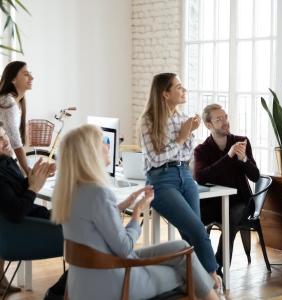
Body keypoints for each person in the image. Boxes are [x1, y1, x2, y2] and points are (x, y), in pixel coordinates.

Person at [50, 124, 220, 300]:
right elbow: (124, 248)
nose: (108, 146)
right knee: (188, 270)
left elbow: (93, 221)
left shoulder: (69, 191)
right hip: (117, 280)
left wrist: (125, 204)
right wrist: (137, 212)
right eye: (103, 142)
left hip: (83, 283)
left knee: (182, 247)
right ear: (90, 153)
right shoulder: (98, 193)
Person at [139, 73, 222, 288]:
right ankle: (212, 278)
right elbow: (156, 158)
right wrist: (182, 137)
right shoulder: (148, 121)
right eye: (178, 87)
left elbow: (186, 155)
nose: (184, 90)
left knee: (190, 232)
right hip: (160, 180)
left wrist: (187, 134)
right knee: (197, 229)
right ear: (165, 93)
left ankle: (193, 280)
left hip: (185, 176)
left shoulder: (181, 118)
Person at [0, 121, 66, 300]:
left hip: (35, 222)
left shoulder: (6, 162)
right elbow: (16, 212)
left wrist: (32, 178)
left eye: (5, 135)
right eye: (0, 139)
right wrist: (34, 188)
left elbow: (14, 194)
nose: (6, 141)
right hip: (27, 232)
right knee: (87, 231)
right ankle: (63, 289)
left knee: (79, 216)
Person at [194, 104, 260, 275]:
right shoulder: (201, 150)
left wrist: (243, 158)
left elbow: (255, 176)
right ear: (209, 125)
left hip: (241, 202)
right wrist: (229, 156)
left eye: (226, 117)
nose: (225, 122)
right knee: (192, 219)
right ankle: (198, 265)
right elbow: (201, 176)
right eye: (219, 119)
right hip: (213, 203)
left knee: (229, 217)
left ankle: (217, 266)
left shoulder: (242, 142)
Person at [0, 61, 34, 175]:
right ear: (13, 79)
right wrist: (28, 170)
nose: (31, 77)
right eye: (25, 74)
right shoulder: (8, 101)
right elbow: (16, 142)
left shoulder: (17, 103)